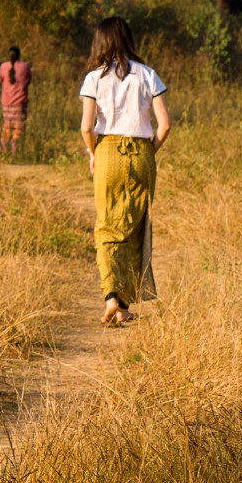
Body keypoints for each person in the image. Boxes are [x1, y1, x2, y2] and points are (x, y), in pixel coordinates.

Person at [78, 16, 170, 326]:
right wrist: (149, 152)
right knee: (135, 226)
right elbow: (165, 125)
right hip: (142, 152)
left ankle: (112, 299)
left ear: (100, 42)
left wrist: (94, 152)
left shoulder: (94, 79)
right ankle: (125, 305)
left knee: (106, 226)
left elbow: (86, 127)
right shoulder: (148, 74)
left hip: (107, 152)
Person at [0, 45, 32, 156]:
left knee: (7, 124)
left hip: (6, 102)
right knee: (18, 126)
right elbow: (28, 81)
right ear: (19, 55)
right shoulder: (25, 67)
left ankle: (4, 149)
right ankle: (15, 151)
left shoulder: (3, 67)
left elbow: (2, 80)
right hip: (19, 102)